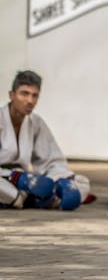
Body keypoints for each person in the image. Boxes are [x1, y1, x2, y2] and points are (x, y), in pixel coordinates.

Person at [0, 70, 93, 210]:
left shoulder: (36, 123)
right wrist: (12, 177)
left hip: (25, 182)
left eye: (34, 95)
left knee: (80, 183)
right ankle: (32, 198)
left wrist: (62, 181)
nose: (30, 101)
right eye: (24, 94)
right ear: (11, 95)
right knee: (12, 190)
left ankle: (32, 197)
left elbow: (52, 160)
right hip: (5, 180)